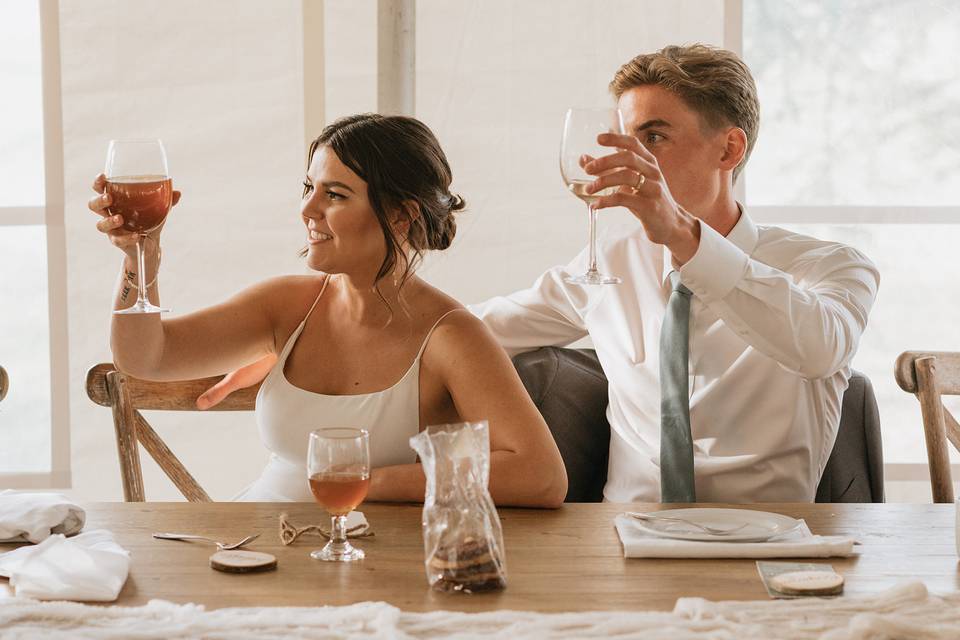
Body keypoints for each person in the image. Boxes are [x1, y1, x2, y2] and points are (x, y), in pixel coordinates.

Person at [198, 44, 880, 504]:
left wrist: (680, 235)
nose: (620, 158)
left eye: (654, 136)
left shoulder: (831, 268)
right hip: (621, 544)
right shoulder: (604, 267)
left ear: (730, 147)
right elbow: (460, 331)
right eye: (619, 135)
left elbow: (817, 345)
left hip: (772, 546)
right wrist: (313, 343)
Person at [89, 113, 568, 507]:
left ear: (402, 214)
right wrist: (141, 259)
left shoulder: (450, 336)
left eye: (335, 194)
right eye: (308, 187)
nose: (307, 209)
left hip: (372, 561)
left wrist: (366, 483)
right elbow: (146, 357)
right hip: (254, 546)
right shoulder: (285, 306)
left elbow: (541, 475)